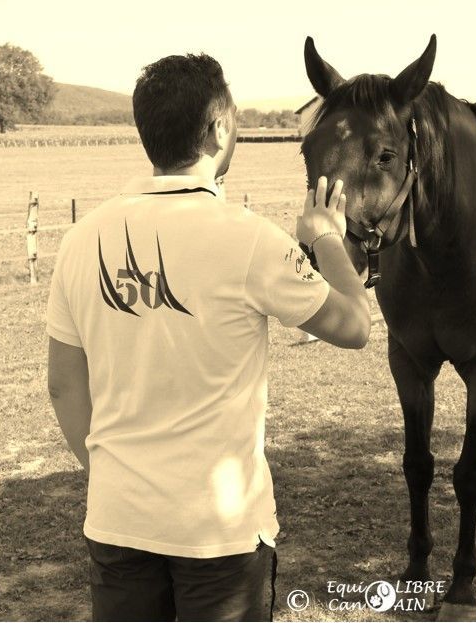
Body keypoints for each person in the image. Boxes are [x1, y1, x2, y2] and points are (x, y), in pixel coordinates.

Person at [46, 52, 369, 622]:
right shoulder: (249, 240)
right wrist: (325, 238)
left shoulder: (80, 240)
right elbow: (354, 325)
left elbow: (64, 389)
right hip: (219, 532)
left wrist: (115, 478)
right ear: (220, 128)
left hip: (117, 518)